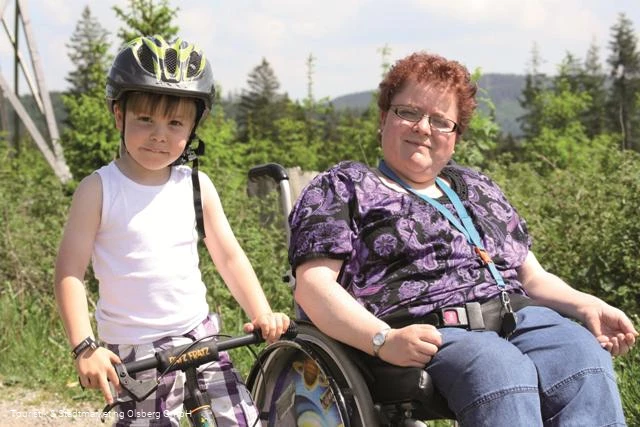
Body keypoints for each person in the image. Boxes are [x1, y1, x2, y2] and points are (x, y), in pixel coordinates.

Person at [288, 51, 637, 426]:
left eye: (440, 121)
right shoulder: (345, 186)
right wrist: (382, 339)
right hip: (431, 329)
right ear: (383, 117)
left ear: (455, 137)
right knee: (500, 370)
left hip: (518, 316)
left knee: (581, 356)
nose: (423, 127)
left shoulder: (476, 187)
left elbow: (531, 277)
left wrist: (586, 305)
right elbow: (312, 287)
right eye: (408, 112)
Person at [54, 35, 289, 427]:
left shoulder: (197, 186)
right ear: (119, 115)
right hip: (132, 351)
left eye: (175, 122)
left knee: (241, 421)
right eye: (145, 119)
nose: (159, 134)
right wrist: (84, 347)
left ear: (194, 125)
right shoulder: (98, 189)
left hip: (199, 335)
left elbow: (228, 256)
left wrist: (261, 312)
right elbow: (69, 273)